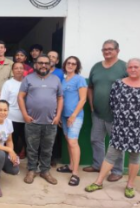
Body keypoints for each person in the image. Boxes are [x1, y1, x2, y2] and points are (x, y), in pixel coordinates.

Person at [85, 58, 140, 198]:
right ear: (126, 69)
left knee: (135, 157)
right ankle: (98, 182)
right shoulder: (118, 85)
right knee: (111, 155)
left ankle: (130, 185)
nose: (133, 69)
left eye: (136, 67)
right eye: (130, 67)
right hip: (120, 127)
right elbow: (113, 104)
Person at [83, 40, 128, 182]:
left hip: (117, 114)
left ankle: (116, 171)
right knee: (96, 139)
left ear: (117, 51)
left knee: (117, 143)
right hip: (97, 112)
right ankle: (98, 165)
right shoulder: (96, 67)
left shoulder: (124, 67)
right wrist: (91, 105)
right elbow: (90, 87)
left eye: (110, 49)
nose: (107, 51)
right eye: (104, 49)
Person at [18, 55, 63, 185]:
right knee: (32, 148)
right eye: (40, 63)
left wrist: (58, 115)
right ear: (35, 65)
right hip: (32, 121)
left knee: (47, 148)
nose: (43, 65)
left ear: (50, 65)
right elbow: (20, 97)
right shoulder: (28, 79)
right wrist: (25, 114)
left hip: (50, 122)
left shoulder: (55, 79)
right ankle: (31, 170)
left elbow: (60, 98)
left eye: (46, 63)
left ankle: (45, 171)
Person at [56, 56, 87, 186]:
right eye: (68, 63)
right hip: (64, 116)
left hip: (75, 116)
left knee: (73, 142)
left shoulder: (80, 79)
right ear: (65, 65)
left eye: (73, 64)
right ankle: (70, 166)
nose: (70, 65)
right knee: (69, 141)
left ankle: (75, 173)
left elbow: (83, 99)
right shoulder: (63, 80)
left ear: (77, 66)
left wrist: (74, 115)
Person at [0, 62, 26, 157]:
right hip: (11, 118)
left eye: (21, 68)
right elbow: (3, 101)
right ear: (12, 70)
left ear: (24, 70)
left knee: (26, 140)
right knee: (11, 140)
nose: (19, 70)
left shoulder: (27, 82)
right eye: (16, 68)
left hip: (25, 117)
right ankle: (10, 159)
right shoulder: (8, 84)